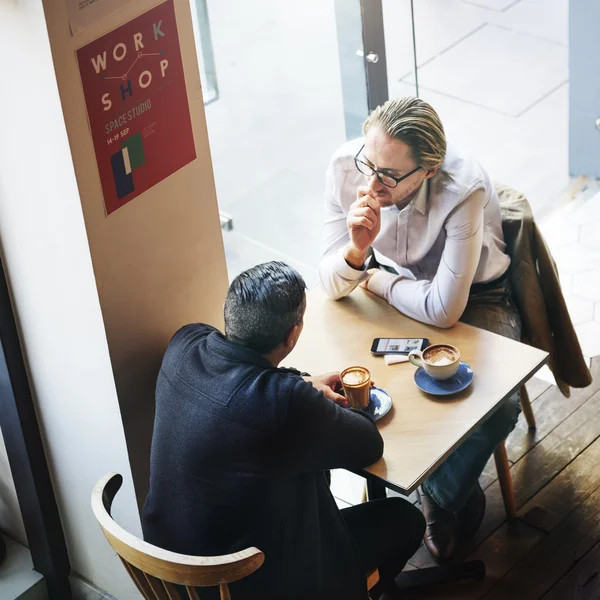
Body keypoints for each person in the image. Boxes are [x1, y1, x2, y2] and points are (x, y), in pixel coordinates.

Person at [142, 261, 425, 600]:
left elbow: (244, 391)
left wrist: (303, 385)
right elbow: (368, 444)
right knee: (405, 519)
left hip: (171, 573)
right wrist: (351, 399)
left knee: (300, 477)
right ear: (292, 335)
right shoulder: (285, 404)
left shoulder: (184, 344)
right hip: (249, 583)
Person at [319, 97, 522, 561]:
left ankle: (439, 495)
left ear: (428, 170)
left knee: (499, 404)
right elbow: (329, 283)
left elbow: (446, 309)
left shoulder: (462, 188)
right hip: (396, 284)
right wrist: (355, 252)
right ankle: (447, 478)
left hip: (481, 296)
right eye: (368, 163)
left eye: (389, 175)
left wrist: (374, 277)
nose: (371, 183)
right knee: (340, 369)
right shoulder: (343, 167)